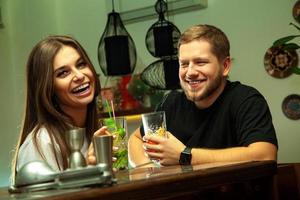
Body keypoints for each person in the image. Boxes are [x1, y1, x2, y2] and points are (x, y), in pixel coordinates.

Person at [128, 24, 278, 167]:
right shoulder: (171, 103)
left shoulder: (246, 100)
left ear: (225, 66)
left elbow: (265, 155)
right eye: (184, 64)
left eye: (200, 62)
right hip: (183, 192)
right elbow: (135, 139)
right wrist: (151, 171)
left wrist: (184, 155)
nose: (190, 72)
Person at [11, 35, 108, 182]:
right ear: (48, 89)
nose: (79, 76)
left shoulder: (92, 132)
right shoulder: (41, 143)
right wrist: (87, 174)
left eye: (81, 64)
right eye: (63, 73)